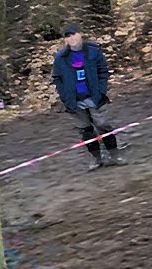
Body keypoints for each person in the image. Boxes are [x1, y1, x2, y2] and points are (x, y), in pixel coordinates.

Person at [52, 23, 126, 170]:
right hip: (74, 101)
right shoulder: (60, 58)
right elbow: (57, 78)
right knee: (86, 131)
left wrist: (100, 91)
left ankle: (115, 155)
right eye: (67, 36)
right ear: (65, 40)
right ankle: (96, 159)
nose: (71, 38)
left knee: (103, 126)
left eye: (73, 34)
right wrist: (66, 98)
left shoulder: (94, 51)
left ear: (80, 34)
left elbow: (102, 71)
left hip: (94, 97)